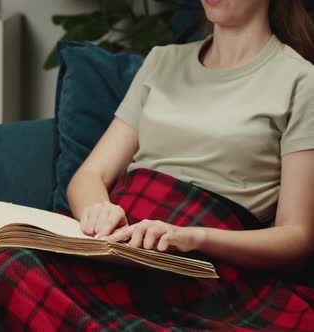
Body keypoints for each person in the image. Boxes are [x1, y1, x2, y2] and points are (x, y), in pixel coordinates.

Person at [68, 0, 314, 269]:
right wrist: (99, 212)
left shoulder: (301, 81)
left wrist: (193, 238)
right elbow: (91, 175)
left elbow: (297, 236)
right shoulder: (162, 60)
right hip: (121, 237)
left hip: (203, 261)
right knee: (16, 260)